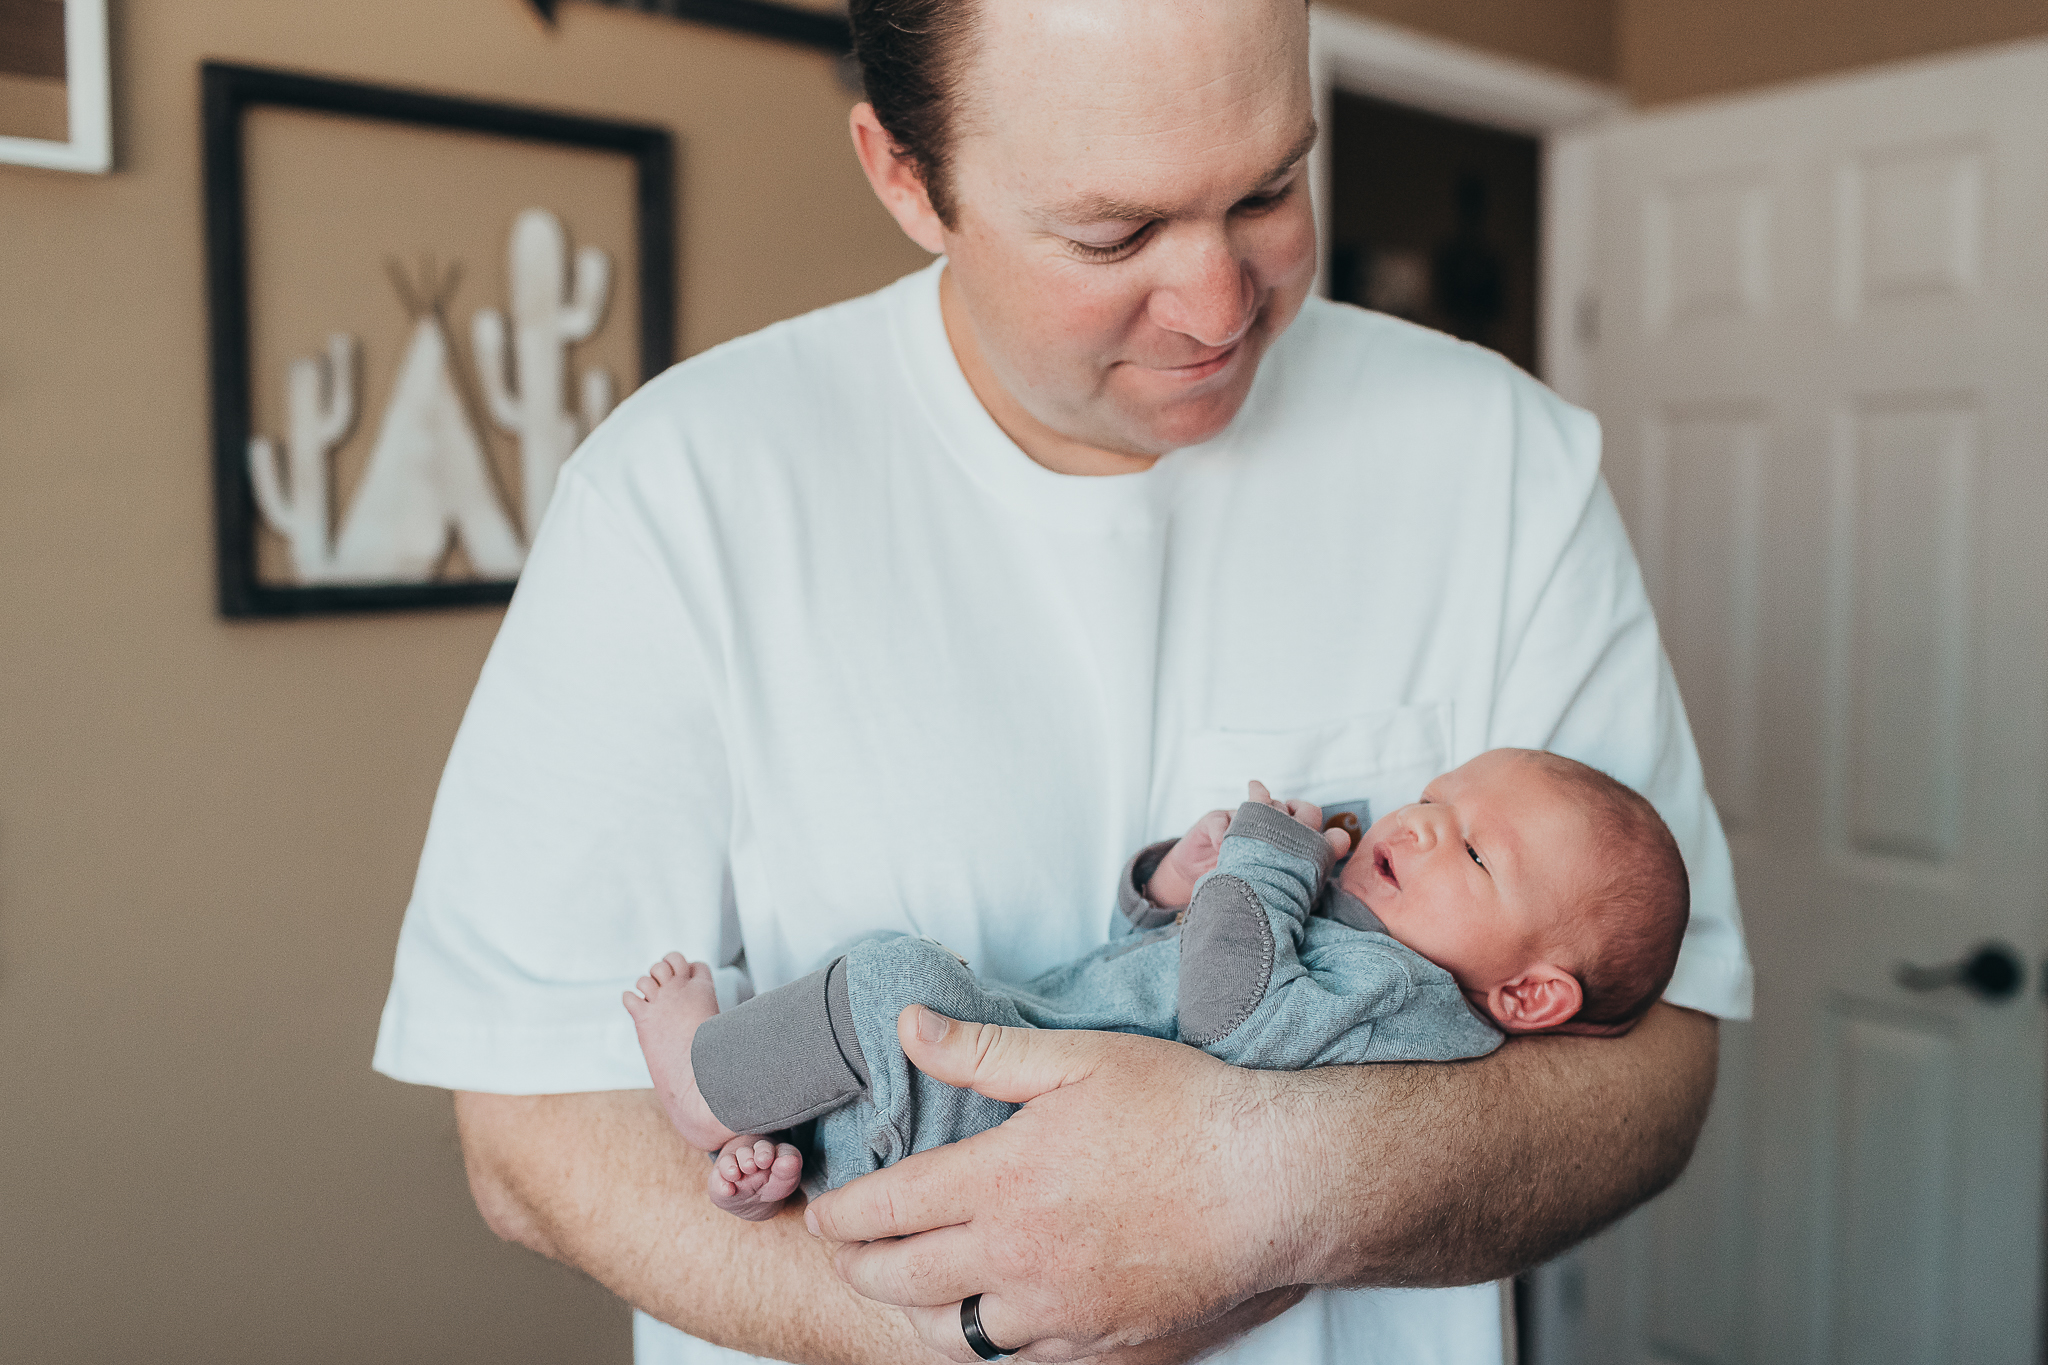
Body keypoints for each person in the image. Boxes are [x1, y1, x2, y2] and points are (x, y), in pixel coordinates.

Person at [372, 0, 1753, 1360]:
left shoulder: (1497, 457)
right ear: (905, 177)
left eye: (1272, 187)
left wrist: (1269, 1187)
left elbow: (1657, 1064)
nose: (1220, 303)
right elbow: (531, 1128)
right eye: (1116, 231)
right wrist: (1006, 1333)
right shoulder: (679, 490)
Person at [624, 751, 1691, 1223]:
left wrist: (1264, 866)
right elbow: (1143, 977)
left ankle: (701, 1081)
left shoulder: (1404, 999)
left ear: (1528, 999)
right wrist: (1175, 887)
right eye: (1432, 800)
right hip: (987, 1093)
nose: (1418, 826)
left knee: (894, 978)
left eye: (1471, 856)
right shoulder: (1357, 934)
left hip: (1001, 1126)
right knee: (893, 979)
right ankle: (778, 1161)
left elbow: (1226, 1013)